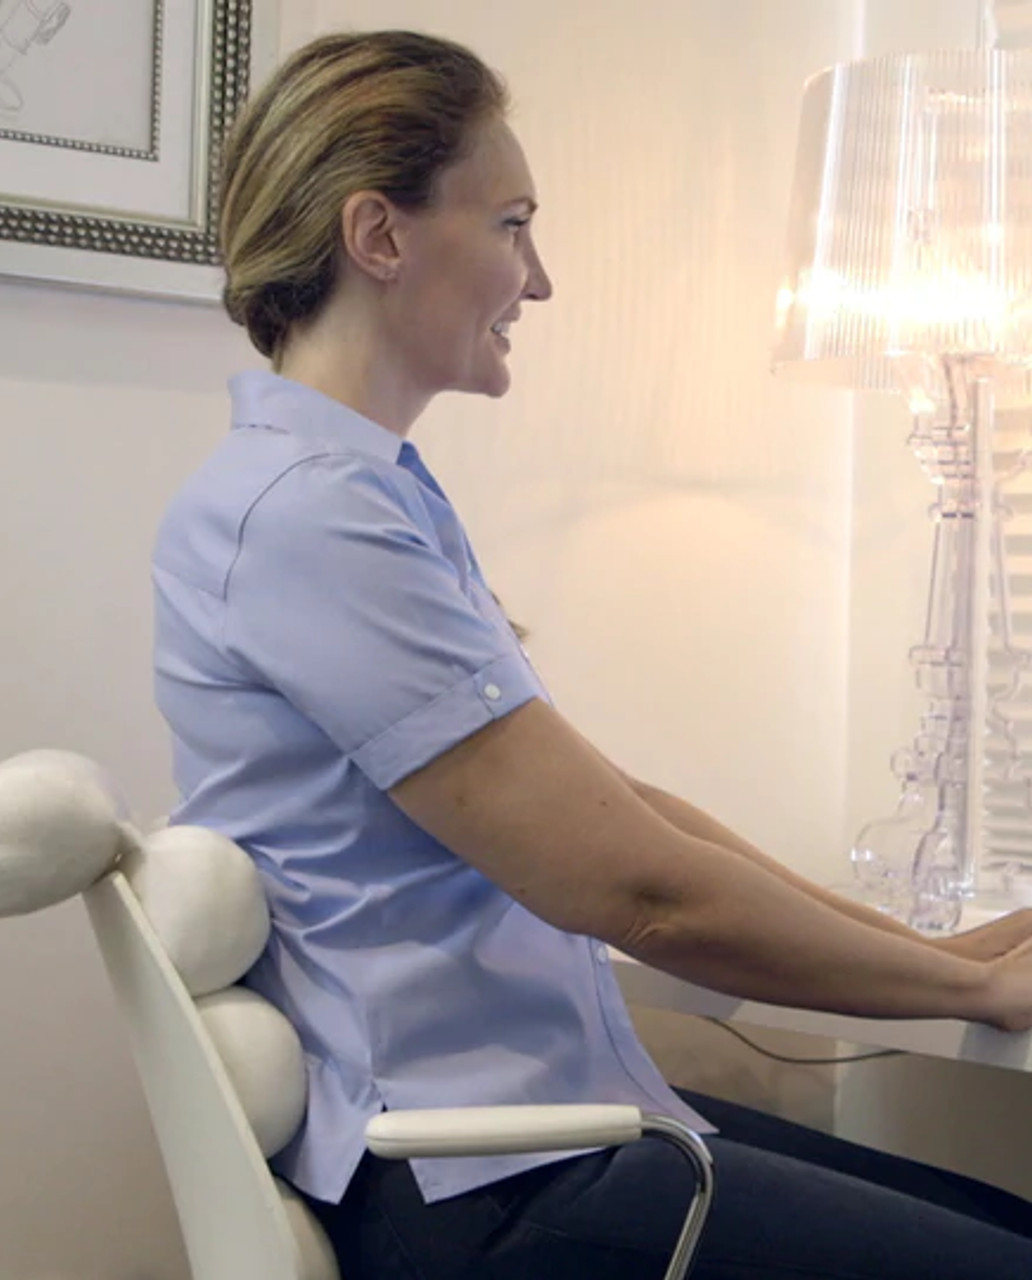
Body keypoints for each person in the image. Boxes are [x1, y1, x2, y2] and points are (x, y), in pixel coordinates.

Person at [152, 28, 1032, 1279]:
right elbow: (638, 890)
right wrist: (973, 994)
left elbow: (621, 812)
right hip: (481, 1191)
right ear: (379, 235)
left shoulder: (356, 495)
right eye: (511, 224)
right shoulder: (308, 518)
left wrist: (948, 958)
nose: (540, 279)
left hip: (520, 1144)